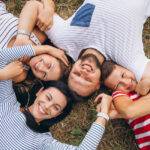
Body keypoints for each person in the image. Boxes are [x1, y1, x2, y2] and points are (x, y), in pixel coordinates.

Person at [16, 0, 150, 97]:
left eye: (77, 74)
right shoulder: (126, 59)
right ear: (98, 82)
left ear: (70, 70)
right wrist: (140, 89)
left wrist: (22, 35)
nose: (84, 72)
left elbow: (34, 6)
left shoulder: (65, 41)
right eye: (87, 79)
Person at [0, 44, 113, 149]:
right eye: (48, 97)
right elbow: (2, 56)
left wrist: (103, 115)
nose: (47, 106)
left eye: (56, 107)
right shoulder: (7, 102)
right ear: (40, 92)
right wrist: (46, 49)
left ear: (57, 114)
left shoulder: (43, 141)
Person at [0, 1, 71, 83]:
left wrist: (3, 74)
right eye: (49, 65)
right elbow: (33, 5)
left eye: (44, 75)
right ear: (54, 54)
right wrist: (22, 37)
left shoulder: (19, 73)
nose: (40, 68)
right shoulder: (39, 35)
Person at [101, 61, 150, 150]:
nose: (126, 83)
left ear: (127, 68)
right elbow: (126, 110)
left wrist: (146, 82)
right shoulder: (120, 95)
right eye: (117, 85)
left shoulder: (144, 75)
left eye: (123, 75)